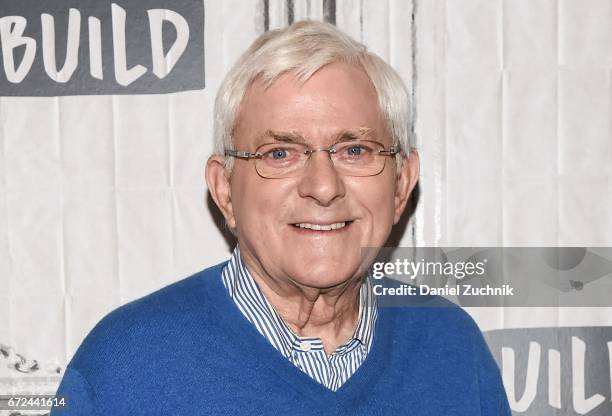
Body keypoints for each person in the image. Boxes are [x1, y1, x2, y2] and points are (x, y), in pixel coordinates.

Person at [51, 20, 510, 415]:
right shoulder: (126, 368)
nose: (323, 186)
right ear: (225, 188)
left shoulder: (452, 349)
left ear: (402, 182)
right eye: (280, 153)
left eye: (354, 149)